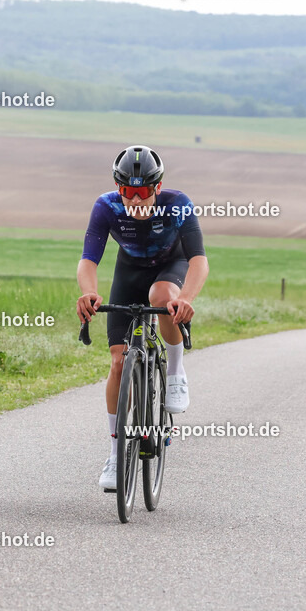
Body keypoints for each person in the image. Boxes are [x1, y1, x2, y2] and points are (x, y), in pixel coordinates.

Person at [75, 145, 209, 491]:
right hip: (130, 271)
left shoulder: (177, 204)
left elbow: (198, 261)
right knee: (118, 363)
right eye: (127, 191)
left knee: (162, 299)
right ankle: (116, 453)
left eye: (142, 192)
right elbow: (88, 260)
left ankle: (176, 372)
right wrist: (89, 292)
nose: (134, 200)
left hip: (170, 266)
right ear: (118, 188)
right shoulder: (106, 206)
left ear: (157, 188)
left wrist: (187, 300)